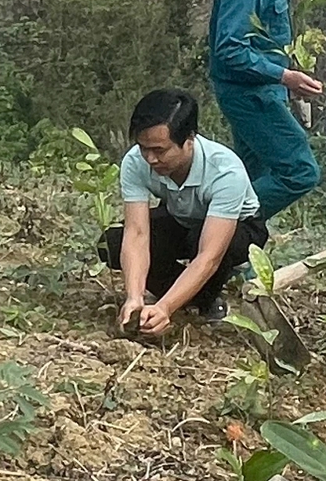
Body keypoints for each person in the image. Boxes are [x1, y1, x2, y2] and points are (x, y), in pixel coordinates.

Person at [207, 0, 326, 223]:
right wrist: (283, 76)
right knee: (299, 171)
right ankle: (220, 229)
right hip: (249, 92)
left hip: (263, 86)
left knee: (248, 175)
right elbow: (229, 48)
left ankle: (231, 258)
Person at [99, 87, 265, 334]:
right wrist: (134, 296)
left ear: (189, 140)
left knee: (200, 241)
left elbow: (209, 255)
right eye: (144, 147)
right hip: (182, 216)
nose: (150, 159)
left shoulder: (226, 171)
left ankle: (205, 299)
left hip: (239, 227)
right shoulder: (135, 161)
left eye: (160, 150)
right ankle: (187, 298)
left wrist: (165, 307)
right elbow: (136, 234)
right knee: (113, 242)